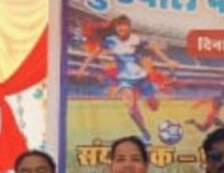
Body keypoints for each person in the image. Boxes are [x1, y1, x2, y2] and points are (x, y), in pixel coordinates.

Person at [75, 15, 179, 144]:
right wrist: (82, 68)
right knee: (131, 107)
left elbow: (153, 46)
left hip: (142, 77)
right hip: (125, 79)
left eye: (124, 25)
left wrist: (168, 61)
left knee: (154, 106)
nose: (121, 28)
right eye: (119, 26)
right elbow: (95, 53)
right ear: (116, 28)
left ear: (129, 27)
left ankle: (153, 99)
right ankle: (145, 134)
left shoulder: (136, 39)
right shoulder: (110, 41)